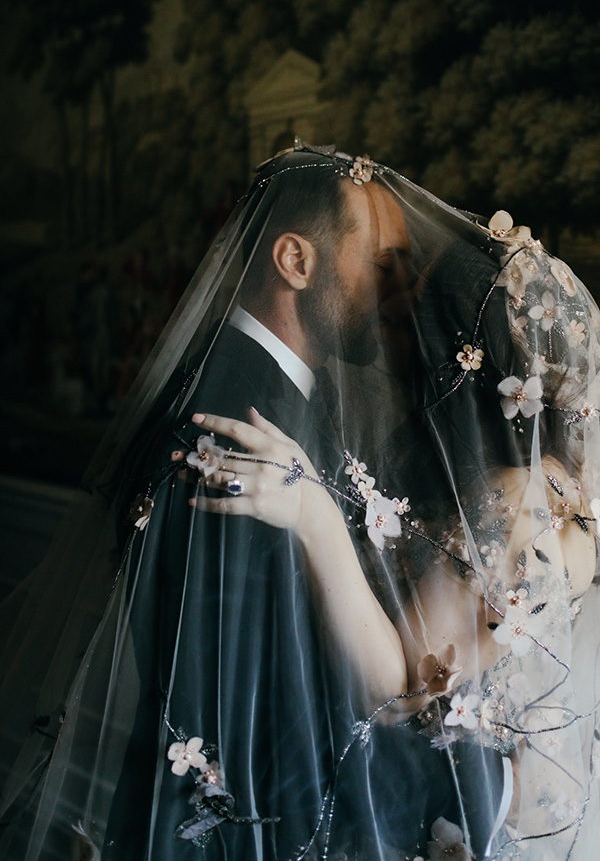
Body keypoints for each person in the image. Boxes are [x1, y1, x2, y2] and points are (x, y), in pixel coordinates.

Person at [0, 142, 598, 861]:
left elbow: (381, 684)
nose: (394, 302)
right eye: (384, 267)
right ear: (295, 261)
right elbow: (244, 689)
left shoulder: (303, 427)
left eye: (410, 291)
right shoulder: (240, 432)